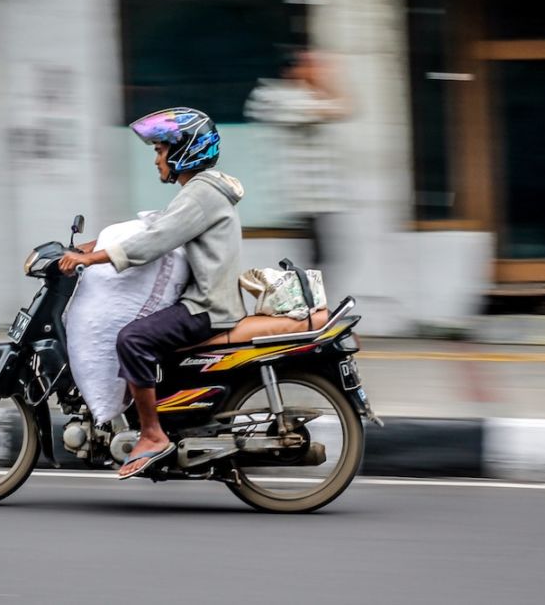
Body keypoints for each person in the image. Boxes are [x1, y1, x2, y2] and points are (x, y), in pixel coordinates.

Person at [59, 107, 245, 479]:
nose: (157, 160)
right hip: (204, 301)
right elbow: (153, 227)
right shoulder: (197, 192)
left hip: (208, 307)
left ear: (184, 151)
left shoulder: (202, 194)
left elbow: (157, 240)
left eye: (160, 151)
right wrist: (86, 249)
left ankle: (152, 434)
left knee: (132, 338)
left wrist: (93, 259)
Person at [244, 47, 348, 269]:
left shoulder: (302, 95)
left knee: (321, 260)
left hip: (315, 200)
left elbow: (342, 108)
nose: (317, 71)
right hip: (300, 199)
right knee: (310, 264)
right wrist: (324, 81)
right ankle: (306, 302)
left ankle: (310, 301)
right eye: (309, 66)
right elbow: (339, 108)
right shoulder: (276, 97)